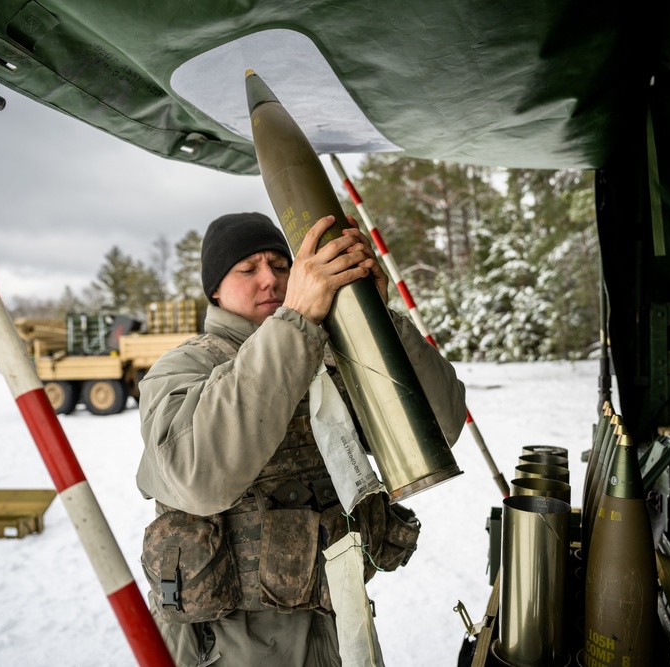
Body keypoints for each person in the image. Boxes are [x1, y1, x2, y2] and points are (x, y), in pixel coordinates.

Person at [136, 211, 466, 666]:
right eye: (247, 270)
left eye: (280, 265)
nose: (269, 280)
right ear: (215, 288)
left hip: (337, 624)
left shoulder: (330, 357)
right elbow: (197, 476)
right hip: (230, 642)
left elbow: (442, 428)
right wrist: (293, 325)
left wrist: (377, 320)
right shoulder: (182, 369)